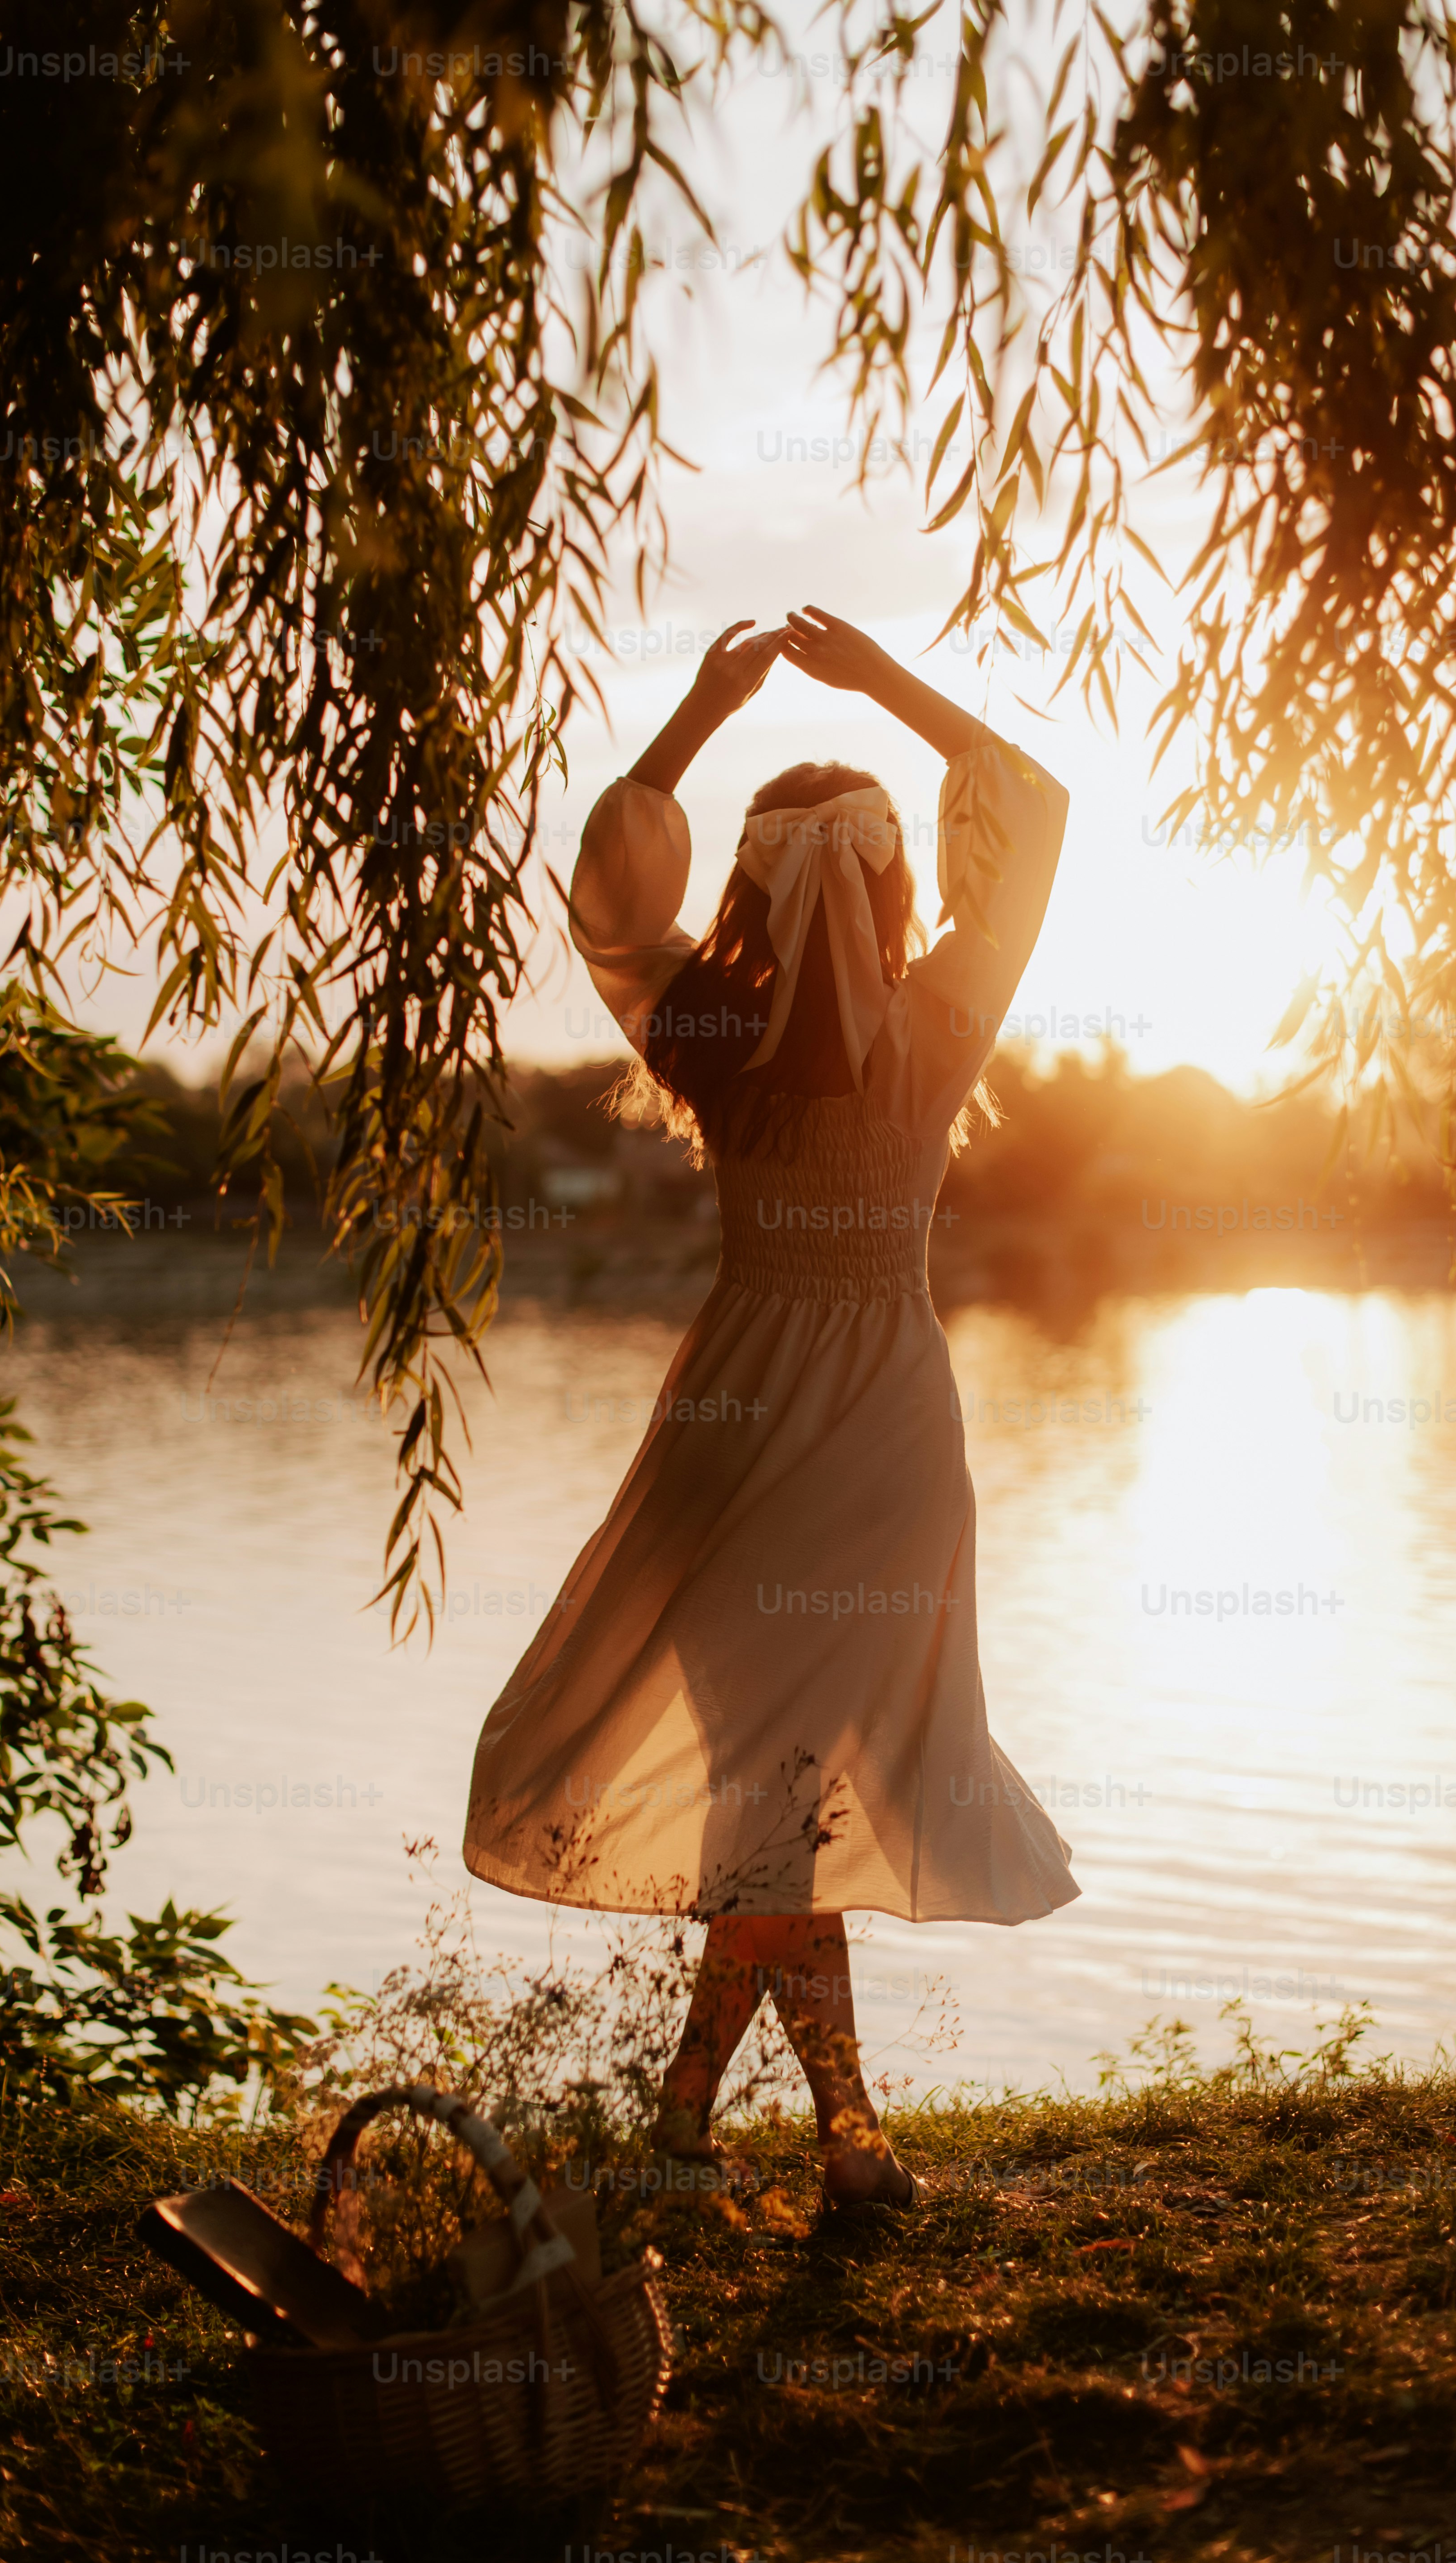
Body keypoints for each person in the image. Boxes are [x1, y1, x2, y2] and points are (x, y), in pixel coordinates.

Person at [464, 605, 1080, 2209]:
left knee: (771, 1787)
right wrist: (887, 685)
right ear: (889, 884)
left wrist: (692, 714)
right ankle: (817, 2132)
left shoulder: (712, 1039)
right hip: (886, 1428)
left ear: (747, 886)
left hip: (735, 1422)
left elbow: (603, 897)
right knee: (783, 1800)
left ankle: (748, 2120)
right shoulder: (938, 1027)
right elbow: (1029, 809)